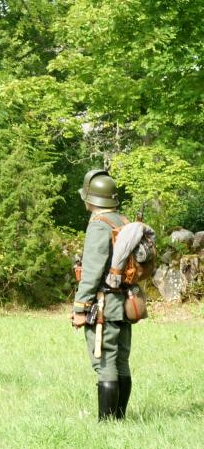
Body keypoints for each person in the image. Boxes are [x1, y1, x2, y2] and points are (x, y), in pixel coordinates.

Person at [72, 169, 134, 420]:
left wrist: (80, 307)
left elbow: (92, 270)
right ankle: (119, 419)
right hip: (125, 302)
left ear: (90, 198)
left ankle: (107, 424)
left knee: (105, 360)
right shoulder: (123, 221)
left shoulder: (99, 225)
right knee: (120, 359)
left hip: (103, 304)